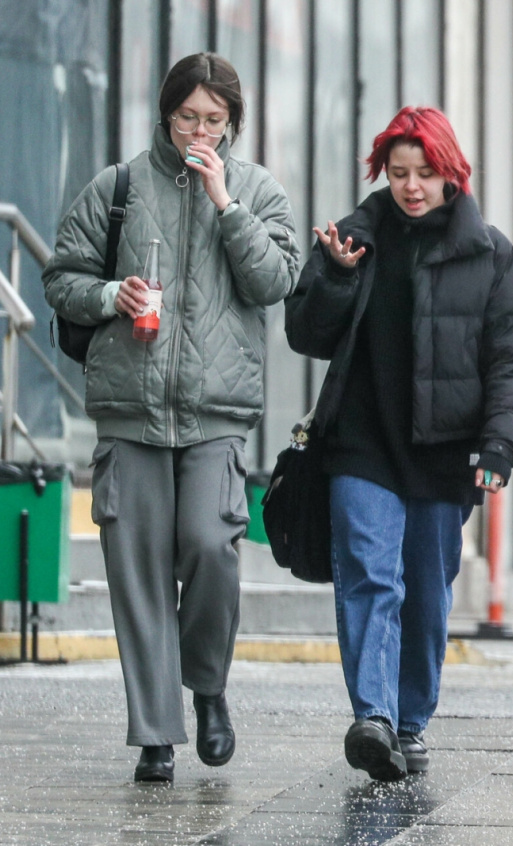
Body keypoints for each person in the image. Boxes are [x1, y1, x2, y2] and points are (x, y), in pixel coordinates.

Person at [43, 53, 302, 783]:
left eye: (214, 119)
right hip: (130, 407)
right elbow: (61, 277)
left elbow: (275, 280)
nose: (199, 131)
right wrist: (108, 297)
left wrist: (227, 204)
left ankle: (208, 686)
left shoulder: (257, 190)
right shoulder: (118, 186)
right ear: (166, 114)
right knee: (138, 570)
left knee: (211, 548)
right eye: (188, 116)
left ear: (233, 123)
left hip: (216, 410)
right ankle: (156, 733)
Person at [285, 106, 513, 782]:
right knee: (370, 574)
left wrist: (502, 444)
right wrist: (336, 277)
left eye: (425, 172)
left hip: (444, 451)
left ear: (451, 172)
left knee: (426, 592)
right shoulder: (353, 240)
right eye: (398, 173)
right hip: (361, 443)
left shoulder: (489, 253)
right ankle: (372, 716)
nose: (411, 186)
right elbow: (305, 335)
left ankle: (410, 722)